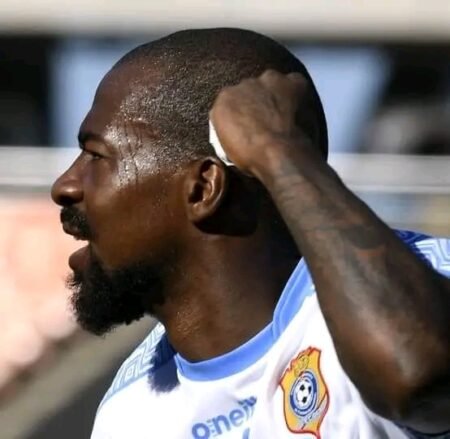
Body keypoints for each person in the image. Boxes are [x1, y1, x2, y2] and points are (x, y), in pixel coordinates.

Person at [51, 28, 450, 439]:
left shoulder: (420, 286)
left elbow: (419, 377)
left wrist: (276, 148)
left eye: (95, 155)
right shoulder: (129, 416)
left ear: (203, 190)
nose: (64, 186)